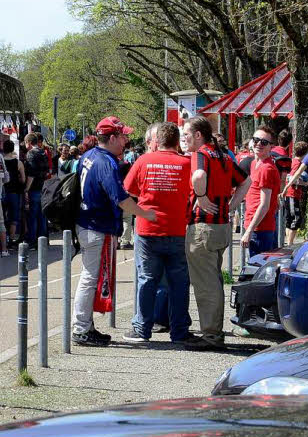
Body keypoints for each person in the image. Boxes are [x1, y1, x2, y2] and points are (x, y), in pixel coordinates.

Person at [72, 117, 155, 347]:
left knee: (91, 277)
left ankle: (85, 327)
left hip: (89, 223)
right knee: (90, 278)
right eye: (123, 136)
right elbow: (120, 199)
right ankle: (81, 329)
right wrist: (144, 213)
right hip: (97, 226)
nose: (126, 140)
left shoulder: (89, 155)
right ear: (111, 138)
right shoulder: (106, 162)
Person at [181, 115, 249, 349]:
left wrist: (201, 196)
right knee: (214, 281)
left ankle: (211, 336)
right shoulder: (223, 155)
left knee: (206, 284)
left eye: (187, 134)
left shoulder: (202, 154)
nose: (184, 139)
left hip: (203, 227)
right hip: (221, 226)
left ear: (198, 135)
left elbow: (199, 176)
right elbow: (245, 182)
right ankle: (213, 333)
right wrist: (231, 205)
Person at [122, 123, 192, 344]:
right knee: (179, 282)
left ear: (157, 140)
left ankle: (142, 329)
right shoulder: (186, 163)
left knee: (147, 280)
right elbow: (196, 191)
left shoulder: (143, 161)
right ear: (176, 141)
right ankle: (179, 332)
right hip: (177, 229)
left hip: (147, 229)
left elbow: (129, 191)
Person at [240, 125, 283, 257]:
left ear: (271, 146)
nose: (258, 144)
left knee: (257, 270)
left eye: (264, 142)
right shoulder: (254, 163)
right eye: (256, 140)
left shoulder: (266, 168)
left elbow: (264, 205)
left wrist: (249, 232)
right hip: (255, 225)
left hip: (260, 229)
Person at [283, 141, 308, 245]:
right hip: (292, 194)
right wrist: (304, 182)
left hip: (292, 194)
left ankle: (289, 242)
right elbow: (291, 177)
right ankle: (290, 243)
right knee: (296, 218)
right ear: (305, 153)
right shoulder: (297, 163)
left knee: (290, 219)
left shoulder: (293, 161)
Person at [23, 133, 49, 247]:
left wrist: (26, 189)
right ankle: (42, 240)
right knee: (41, 215)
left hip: (34, 189)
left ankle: (32, 241)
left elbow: (31, 175)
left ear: (28, 142)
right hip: (43, 187)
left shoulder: (31, 154)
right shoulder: (43, 152)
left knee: (32, 216)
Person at [1, 139, 25, 250]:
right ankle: (11, 239)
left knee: (2, 216)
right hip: (15, 192)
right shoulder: (18, 162)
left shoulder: (0, 161)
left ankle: (3, 239)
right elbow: (23, 179)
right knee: (14, 217)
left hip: (2, 191)